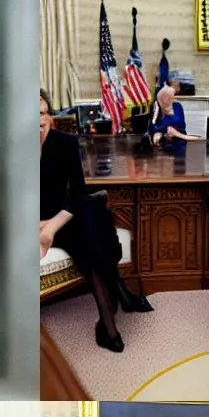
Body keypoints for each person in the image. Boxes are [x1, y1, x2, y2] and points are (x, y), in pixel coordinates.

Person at [40, 87, 126, 353]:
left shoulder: (65, 143)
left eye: (42, 113)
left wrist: (52, 226)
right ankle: (111, 305)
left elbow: (77, 191)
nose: (37, 120)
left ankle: (108, 322)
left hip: (63, 216)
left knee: (88, 228)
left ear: (50, 117)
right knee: (89, 232)